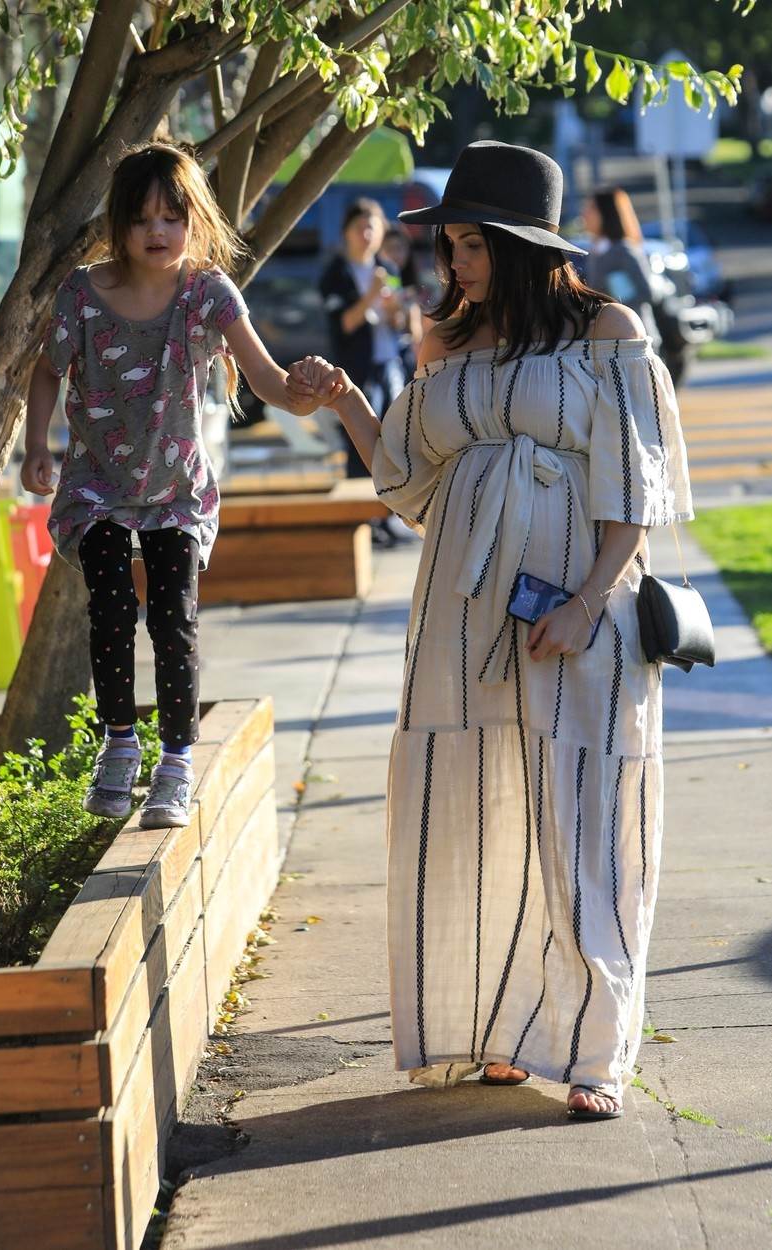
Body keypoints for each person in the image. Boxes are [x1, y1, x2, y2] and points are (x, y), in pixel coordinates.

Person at [288, 141, 693, 1121]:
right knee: (478, 811)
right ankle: (501, 1027)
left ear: (519, 246)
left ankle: (596, 1052)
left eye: (470, 244)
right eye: (451, 245)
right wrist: (347, 400)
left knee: (584, 819)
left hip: (574, 611)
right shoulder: (449, 346)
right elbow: (410, 487)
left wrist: (587, 598)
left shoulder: (607, 331)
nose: (453, 263)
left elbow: (632, 482)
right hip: (458, 621)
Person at [22, 142, 317, 830]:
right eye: (142, 219)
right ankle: (120, 745)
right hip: (97, 483)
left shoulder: (206, 293)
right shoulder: (83, 296)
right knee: (112, 603)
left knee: (174, 621)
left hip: (175, 490)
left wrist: (305, 395)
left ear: (192, 221)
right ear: (118, 225)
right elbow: (46, 370)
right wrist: (37, 447)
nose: (158, 232)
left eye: (172, 217)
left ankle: (176, 763)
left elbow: (268, 378)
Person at [319, 197, 407, 480]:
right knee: (362, 438)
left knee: (395, 434)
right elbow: (344, 323)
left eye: (372, 228)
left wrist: (396, 311)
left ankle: (391, 510)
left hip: (390, 360)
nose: (366, 235)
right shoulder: (337, 273)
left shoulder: (389, 269)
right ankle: (361, 508)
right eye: (360, 228)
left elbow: (399, 322)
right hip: (357, 367)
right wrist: (371, 295)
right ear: (346, 231)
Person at [582, 187, 662, 349]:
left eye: (591, 208)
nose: (585, 214)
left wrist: (612, 308)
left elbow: (647, 292)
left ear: (606, 213)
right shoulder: (595, 251)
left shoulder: (624, 250)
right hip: (610, 342)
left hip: (635, 340)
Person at [380, 223, 424, 380]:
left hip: (409, 356)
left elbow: (416, 330)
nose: (396, 254)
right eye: (390, 248)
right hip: (386, 356)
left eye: (400, 248)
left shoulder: (411, 281)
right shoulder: (379, 280)